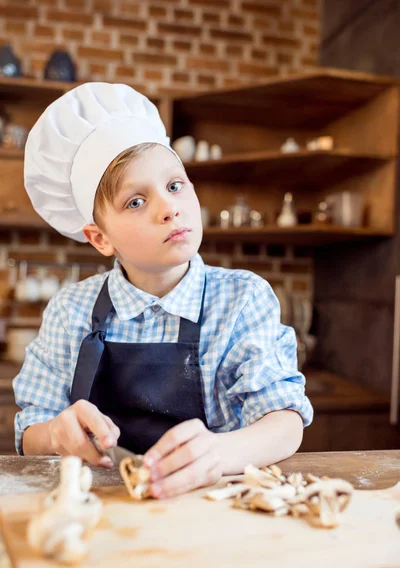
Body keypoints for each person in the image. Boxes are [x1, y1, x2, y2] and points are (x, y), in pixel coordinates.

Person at [14, 82, 313, 499]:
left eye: (175, 185)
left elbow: (285, 421)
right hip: (100, 511)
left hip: (213, 509)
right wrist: (55, 435)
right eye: (136, 201)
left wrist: (220, 454)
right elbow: (31, 433)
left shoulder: (243, 300)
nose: (169, 207)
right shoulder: (70, 310)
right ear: (100, 238)